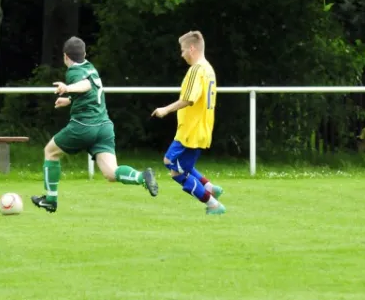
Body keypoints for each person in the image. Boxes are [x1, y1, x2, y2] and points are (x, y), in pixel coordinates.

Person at [31, 36, 158, 213]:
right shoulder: (90, 67)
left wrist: (67, 88)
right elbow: (90, 91)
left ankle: (51, 199)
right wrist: (68, 100)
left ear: (65, 56)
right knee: (111, 173)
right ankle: (141, 177)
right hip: (104, 127)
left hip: (84, 126)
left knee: (50, 152)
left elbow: (85, 86)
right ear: (84, 54)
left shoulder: (74, 71)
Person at [151, 30, 225, 215]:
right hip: (201, 128)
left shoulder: (196, 70)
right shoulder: (209, 69)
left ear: (192, 49)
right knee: (183, 166)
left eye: (183, 50)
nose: (182, 54)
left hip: (191, 130)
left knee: (173, 166)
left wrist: (165, 109)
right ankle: (209, 187)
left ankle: (213, 203)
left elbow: (189, 99)